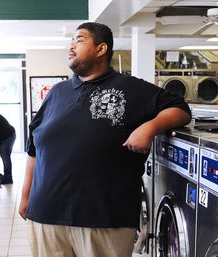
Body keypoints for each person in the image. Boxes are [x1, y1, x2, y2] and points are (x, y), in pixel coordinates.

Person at [18, 22, 191, 257]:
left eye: (79, 40)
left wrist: (150, 127)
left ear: (101, 49)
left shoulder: (131, 89)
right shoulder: (57, 92)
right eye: (71, 41)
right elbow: (34, 148)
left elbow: (180, 109)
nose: (71, 46)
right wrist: (26, 196)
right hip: (46, 215)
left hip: (105, 219)